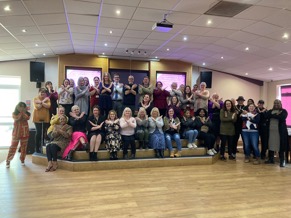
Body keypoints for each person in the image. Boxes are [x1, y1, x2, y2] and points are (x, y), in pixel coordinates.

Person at [6, 102, 30, 168]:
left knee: (24, 148)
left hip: (25, 133)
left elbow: (27, 118)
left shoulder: (27, 114)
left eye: (23, 107)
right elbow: (17, 118)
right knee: (13, 147)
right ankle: (8, 160)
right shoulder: (14, 113)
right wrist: (21, 113)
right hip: (16, 133)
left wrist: (23, 113)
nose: (22, 108)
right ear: (17, 107)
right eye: (20, 107)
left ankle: (22, 160)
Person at [265, 99, 289, 167]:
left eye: (277, 103)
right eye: (275, 103)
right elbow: (266, 116)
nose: (276, 105)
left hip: (280, 132)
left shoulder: (284, 111)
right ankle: (271, 159)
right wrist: (276, 115)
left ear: (280, 104)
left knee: (280, 145)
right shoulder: (270, 111)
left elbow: (282, 118)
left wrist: (273, 115)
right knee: (271, 145)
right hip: (271, 131)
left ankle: (282, 161)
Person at [33, 88, 51, 153]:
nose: (42, 93)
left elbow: (48, 106)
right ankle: (37, 148)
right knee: (39, 132)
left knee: (43, 133)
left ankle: (42, 147)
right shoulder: (35, 99)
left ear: (45, 93)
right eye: (41, 92)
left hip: (45, 118)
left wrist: (41, 103)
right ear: (39, 92)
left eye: (43, 92)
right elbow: (37, 107)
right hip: (37, 119)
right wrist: (43, 102)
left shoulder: (48, 99)